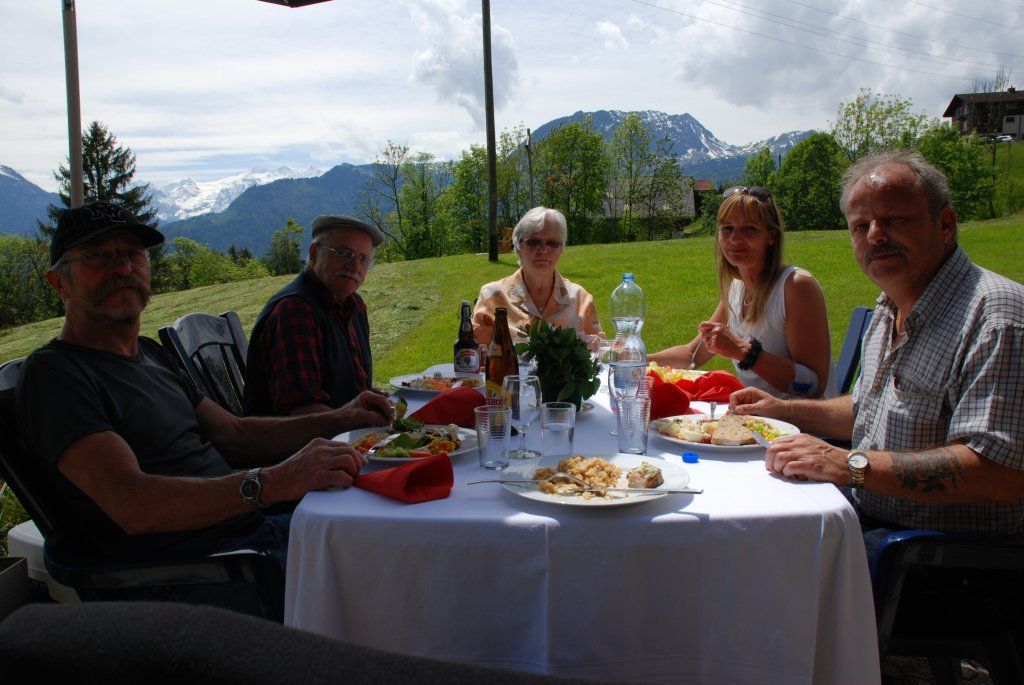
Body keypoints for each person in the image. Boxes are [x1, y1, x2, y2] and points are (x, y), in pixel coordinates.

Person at [16, 202, 391, 609]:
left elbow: (236, 433)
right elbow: (132, 503)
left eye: (133, 254)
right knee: (392, 584)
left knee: (396, 537)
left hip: (251, 534)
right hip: (192, 572)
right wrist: (272, 482)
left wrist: (342, 418)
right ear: (59, 282)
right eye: (98, 257)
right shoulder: (56, 375)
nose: (122, 268)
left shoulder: (149, 355)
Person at [730, 150, 1024, 545]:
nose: (875, 236)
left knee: (753, 550)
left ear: (945, 224)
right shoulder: (890, 309)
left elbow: (998, 472)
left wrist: (850, 465)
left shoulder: (997, 317)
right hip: (867, 516)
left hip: (931, 553)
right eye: (860, 225)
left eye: (895, 220)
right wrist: (783, 410)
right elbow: (867, 411)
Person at [649, 186, 836, 398]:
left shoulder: (796, 286)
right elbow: (692, 355)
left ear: (771, 236)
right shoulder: (736, 288)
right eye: (727, 228)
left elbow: (813, 385)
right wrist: (632, 360)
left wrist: (742, 351)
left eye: (749, 229)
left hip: (798, 417)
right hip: (755, 413)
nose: (735, 239)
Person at [244, 215, 383, 416]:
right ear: (314, 253)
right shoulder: (294, 310)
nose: (354, 267)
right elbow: (302, 411)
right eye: (344, 253)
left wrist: (377, 399)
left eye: (363, 259)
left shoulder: (353, 306)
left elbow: (348, 389)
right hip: (302, 436)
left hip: (343, 431)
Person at [472, 206, 603, 348]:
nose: (543, 250)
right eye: (533, 242)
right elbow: (472, 351)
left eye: (552, 243)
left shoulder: (580, 299)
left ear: (561, 249)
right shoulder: (492, 297)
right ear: (518, 247)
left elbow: (600, 351)